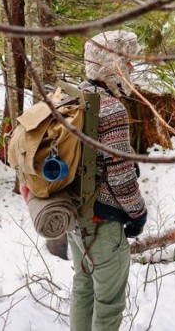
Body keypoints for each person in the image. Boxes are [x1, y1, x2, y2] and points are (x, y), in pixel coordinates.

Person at [67, 30, 147, 331]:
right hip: (103, 224)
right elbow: (121, 177)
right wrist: (138, 214)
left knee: (82, 288)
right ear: (111, 64)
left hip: (75, 218)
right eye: (127, 61)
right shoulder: (111, 109)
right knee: (109, 303)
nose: (132, 69)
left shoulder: (72, 96)